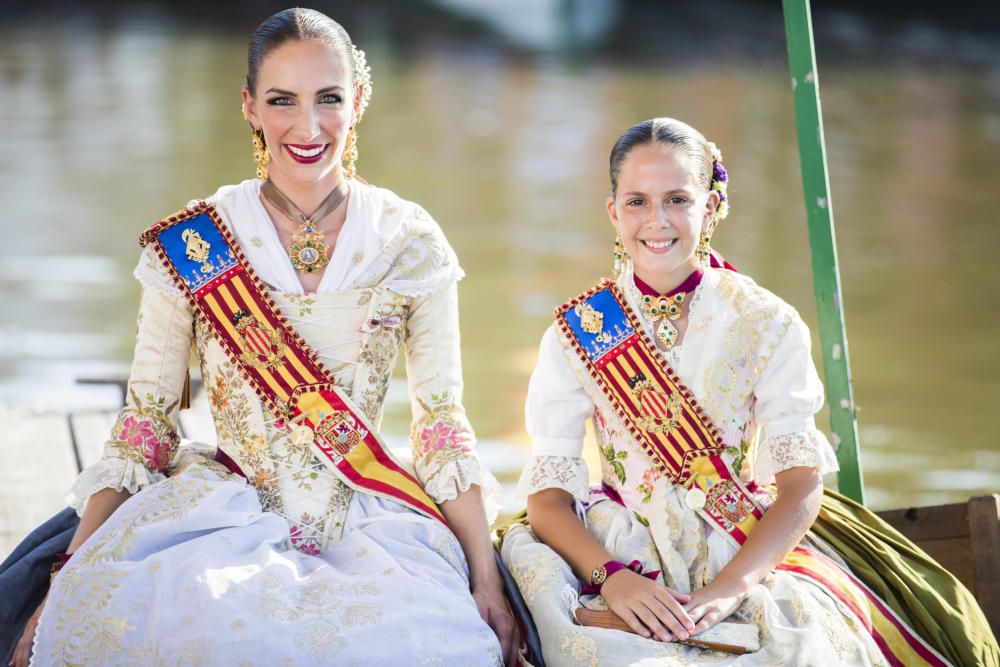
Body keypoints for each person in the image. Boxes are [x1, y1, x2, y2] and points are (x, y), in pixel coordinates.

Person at [11, 8, 516, 666]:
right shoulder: (194, 243)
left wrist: (485, 577)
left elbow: (442, 425)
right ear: (250, 106)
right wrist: (68, 570)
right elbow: (145, 425)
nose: (307, 128)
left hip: (369, 513)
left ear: (358, 100)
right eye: (282, 101)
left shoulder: (409, 241)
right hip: (223, 510)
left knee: (436, 643)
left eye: (328, 99)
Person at [499, 117, 997, 666]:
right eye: (637, 201)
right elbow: (547, 502)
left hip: (741, 546)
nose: (657, 220)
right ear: (613, 211)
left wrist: (732, 588)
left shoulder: (768, 323)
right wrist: (613, 579)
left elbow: (801, 484)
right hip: (619, 550)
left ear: (709, 208)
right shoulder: (577, 333)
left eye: (678, 199)